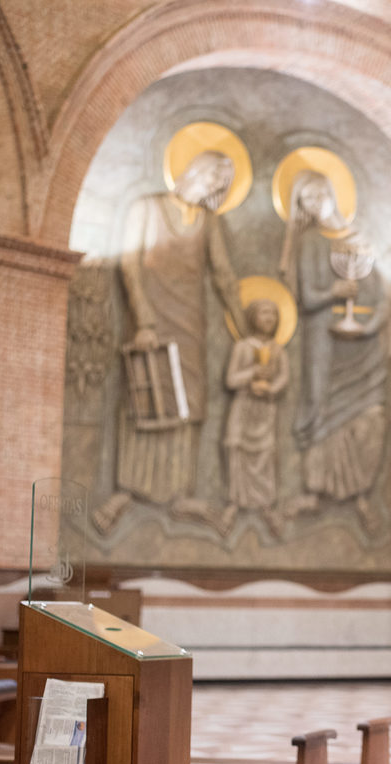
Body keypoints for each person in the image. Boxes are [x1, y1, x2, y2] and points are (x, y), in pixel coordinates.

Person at [93, 150, 246, 533]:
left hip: (190, 324)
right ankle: (127, 489)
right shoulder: (147, 208)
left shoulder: (208, 222)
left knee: (186, 403)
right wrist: (144, 320)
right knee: (146, 400)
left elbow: (224, 275)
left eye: (220, 184)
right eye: (212, 176)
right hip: (151, 322)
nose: (214, 186)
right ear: (191, 170)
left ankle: (179, 493)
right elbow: (129, 264)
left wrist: (246, 331)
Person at [279, 170, 390, 541]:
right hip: (323, 341)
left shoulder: (359, 239)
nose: (313, 205)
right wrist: (335, 291)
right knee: (322, 410)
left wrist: (371, 324)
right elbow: (308, 296)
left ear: (332, 194)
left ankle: (360, 493)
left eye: (318, 196)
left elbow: (380, 295)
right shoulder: (309, 241)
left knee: (370, 416)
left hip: (362, 346)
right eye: (305, 201)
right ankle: (314, 491)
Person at [222, 298, 290, 536]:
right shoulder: (242, 347)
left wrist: (271, 388)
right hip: (243, 407)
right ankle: (233, 504)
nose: (269, 319)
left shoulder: (278, 350)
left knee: (265, 455)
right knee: (238, 451)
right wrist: (252, 372)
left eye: (273, 314)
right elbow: (231, 380)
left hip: (265, 411)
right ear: (253, 317)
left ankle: (267, 506)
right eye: (264, 313)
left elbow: (283, 378)